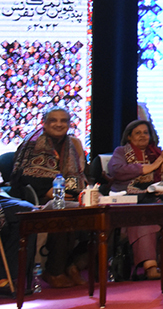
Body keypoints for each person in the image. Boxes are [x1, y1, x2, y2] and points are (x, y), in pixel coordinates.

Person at [10, 107, 87, 288]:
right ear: (44, 123)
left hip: (64, 196)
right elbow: (22, 177)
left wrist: (71, 193)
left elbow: (78, 178)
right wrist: (49, 192)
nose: (59, 124)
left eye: (63, 121)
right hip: (34, 198)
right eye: (54, 120)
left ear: (69, 124)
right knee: (61, 215)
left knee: (91, 216)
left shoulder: (71, 144)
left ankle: (73, 265)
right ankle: (55, 271)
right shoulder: (32, 143)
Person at [107, 119, 163, 280]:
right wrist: (151, 166)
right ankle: (151, 264)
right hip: (131, 200)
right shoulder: (121, 152)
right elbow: (117, 171)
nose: (142, 136)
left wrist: (162, 162)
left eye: (145, 132)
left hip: (157, 199)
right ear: (129, 136)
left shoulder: (156, 152)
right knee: (145, 216)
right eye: (137, 133)